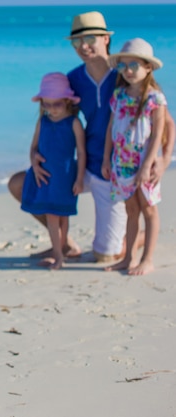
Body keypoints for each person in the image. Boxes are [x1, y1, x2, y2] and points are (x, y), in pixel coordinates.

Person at [7, 11, 175, 263]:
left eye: (90, 39)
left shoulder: (127, 72)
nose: (83, 47)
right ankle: (64, 245)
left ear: (105, 38)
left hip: (117, 171)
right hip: (85, 167)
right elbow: (55, 116)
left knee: (107, 256)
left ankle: (135, 238)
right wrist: (35, 155)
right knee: (20, 184)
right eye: (76, 42)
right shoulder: (73, 79)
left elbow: (166, 122)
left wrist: (163, 159)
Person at [101, 38, 166, 275]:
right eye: (123, 65)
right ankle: (128, 257)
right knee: (131, 210)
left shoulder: (154, 98)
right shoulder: (119, 95)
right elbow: (111, 128)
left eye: (134, 65)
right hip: (121, 162)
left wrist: (147, 165)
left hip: (143, 163)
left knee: (149, 209)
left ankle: (147, 259)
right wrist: (106, 159)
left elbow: (158, 134)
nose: (127, 70)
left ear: (148, 67)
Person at [21, 72, 86, 270]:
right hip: (45, 175)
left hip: (65, 175)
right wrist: (34, 161)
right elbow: (33, 147)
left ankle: (62, 250)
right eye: (46, 105)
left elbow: (82, 153)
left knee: (63, 215)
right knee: (51, 215)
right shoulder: (43, 122)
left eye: (56, 104)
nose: (51, 109)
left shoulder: (74, 123)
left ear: (67, 101)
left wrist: (80, 179)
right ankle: (58, 254)